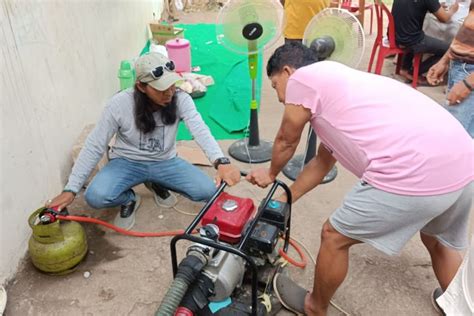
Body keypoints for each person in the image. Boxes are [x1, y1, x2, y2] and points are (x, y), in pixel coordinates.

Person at [246, 42, 473, 315]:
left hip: (416, 170)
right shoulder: (339, 85)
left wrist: (270, 173)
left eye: (275, 86)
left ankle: (314, 306)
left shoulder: (303, 79)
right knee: (436, 240)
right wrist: (285, 199)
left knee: (333, 236)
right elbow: (321, 163)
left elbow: (285, 140)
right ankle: (458, 303)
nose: (281, 98)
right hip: (462, 160)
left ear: (287, 71)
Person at [46, 52, 241, 230]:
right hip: (126, 162)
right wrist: (71, 189)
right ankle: (129, 198)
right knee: (95, 197)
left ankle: (156, 182)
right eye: (161, 89)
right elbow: (94, 145)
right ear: (141, 86)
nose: (169, 93)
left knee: (207, 191)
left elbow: (200, 130)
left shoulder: (181, 99)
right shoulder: (119, 104)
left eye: (172, 85)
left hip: (166, 161)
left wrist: (220, 161)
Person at [427, 1, 474, 138]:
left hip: (469, 74)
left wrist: (468, 83)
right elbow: (468, 23)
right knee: (465, 136)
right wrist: (445, 60)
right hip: (460, 66)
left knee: (454, 136)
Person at [391, 0, 459, 82]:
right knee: (449, 50)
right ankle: (412, 72)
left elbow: (414, 7)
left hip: (394, 35)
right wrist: (453, 10)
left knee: (414, 31)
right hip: (412, 40)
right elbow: (444, 18)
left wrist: (435, 7)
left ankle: (404, 68)